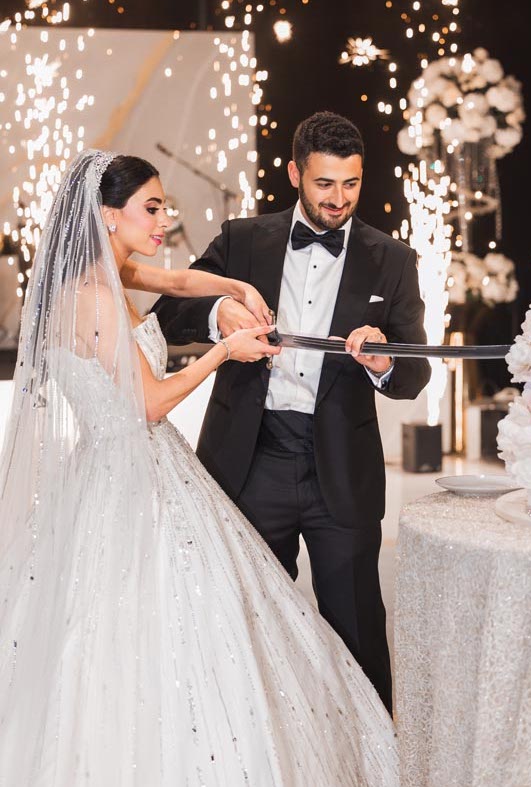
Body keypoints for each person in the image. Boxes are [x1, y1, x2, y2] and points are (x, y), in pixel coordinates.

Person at [0, 149, 398, 786]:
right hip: (124, 476)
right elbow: (150, 405)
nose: (163, 221)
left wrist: (234, 287)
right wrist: (224, 352)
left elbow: (181, 282)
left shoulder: (113, 271)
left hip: (146, 470)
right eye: (150, 208)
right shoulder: (91, 301)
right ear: (106, 215)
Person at [154, 111, 431, 711]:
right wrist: (217, 316)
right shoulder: (242, 239)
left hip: (341, 474)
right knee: (244, 625)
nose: (339, 200)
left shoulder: (394, 259)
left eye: (351, 184)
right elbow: (168, 312)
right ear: (294, 174)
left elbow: (416, 372)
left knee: (357, 634)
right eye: (325, 183)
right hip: (249, 462)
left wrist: (382, 363)